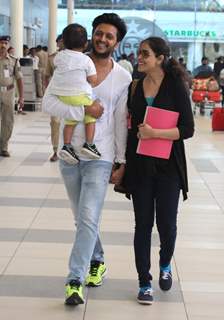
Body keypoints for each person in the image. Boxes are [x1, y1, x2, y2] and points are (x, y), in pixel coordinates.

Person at [42, 13, 131, 305]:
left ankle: (74, 280)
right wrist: (83, 111)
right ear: (92, 34)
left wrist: (121, 160)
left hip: (100, 154)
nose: (103, 39)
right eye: (100, 33)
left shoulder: (122, 76)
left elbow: (119, 120)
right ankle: (98, 260)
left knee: (88, 216)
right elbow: (49, 103)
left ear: (117, 42)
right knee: (82, 219)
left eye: (110, 36)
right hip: (71, 154)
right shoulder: (70, 64)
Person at [124, 37, 194, 304]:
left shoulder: (176, 85)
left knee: (167, 224)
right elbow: (131, 131)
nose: (139, 58)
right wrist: (123, 166)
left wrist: (156, 133)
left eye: (145, 54)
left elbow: (187, 129)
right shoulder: (135, 87)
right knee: (142, 225)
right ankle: (144, 281)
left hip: (169, 168)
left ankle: (165, 264)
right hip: (141, 167)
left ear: (160, 58)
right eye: (139, 53)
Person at [48, 23, 101, 164]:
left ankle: (66, 145)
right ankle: (89, 144)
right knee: (91, 116)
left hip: (62, 96)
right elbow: (93, 80)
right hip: (79, 96)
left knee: (70, 121)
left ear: (63, 42)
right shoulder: (86, 60)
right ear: (85, 44)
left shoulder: (58, 57)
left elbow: (57, 67)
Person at [0, 35, 24, 157]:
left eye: (5, 43)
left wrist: (21, 97)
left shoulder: (14, 61)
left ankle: (4, 147)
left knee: (8, 121)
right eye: (1, 43)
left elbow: (19, 79)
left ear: (8, 45)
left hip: (8, 93)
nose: (3, 45)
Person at [45, 34, 64, 162]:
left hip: (73, 96)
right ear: (57, 43)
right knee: (55, 123)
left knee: (72, 122)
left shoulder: (77, 58)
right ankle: (55, 150)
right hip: (56, 96)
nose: (63, 43)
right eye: (61, 41)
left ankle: (70, 149)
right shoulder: (52, 58)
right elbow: (47, 75)